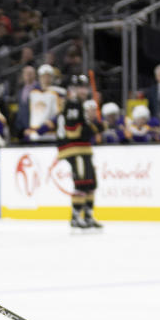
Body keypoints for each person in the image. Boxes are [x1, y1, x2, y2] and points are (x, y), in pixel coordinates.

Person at [57, 74, 103, 231]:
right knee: (82, 182)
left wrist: (95, 126)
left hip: (84, 149)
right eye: (79, 88)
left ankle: (88, 215)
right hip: (73, 149)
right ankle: (76, 216)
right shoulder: (73, 105)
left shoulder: (81, 105)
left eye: (85, 87)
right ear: (73, 89)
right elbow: (72, 132)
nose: (83, 90)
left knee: (91, 183)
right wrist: (92, 128)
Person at [25, 64, 64, 142]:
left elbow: (60, 113)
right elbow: (29, 112)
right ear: (39, 77)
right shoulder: (33, 93)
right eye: (44, 76)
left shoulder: (58, 93)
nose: (46, 78)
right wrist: (27, 128)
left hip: (50, 134)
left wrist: (50, 124)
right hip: (34, 134)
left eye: (48, 76)